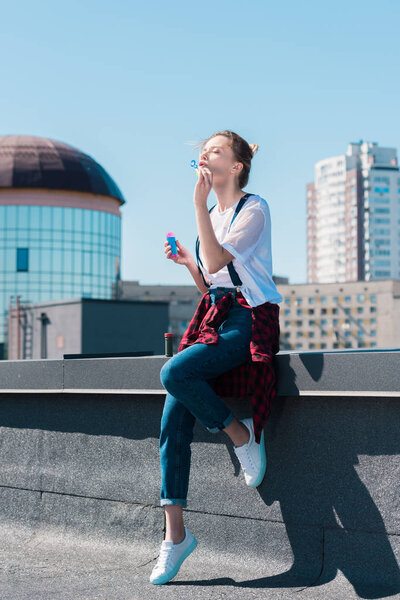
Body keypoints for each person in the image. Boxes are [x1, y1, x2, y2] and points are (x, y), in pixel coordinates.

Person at [150, 130, 283, 585]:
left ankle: (241, 435)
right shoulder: (211, 213)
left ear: (237, 166)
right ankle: (175, 536)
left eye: (216, 151)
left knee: (174, 372)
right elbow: (211, 282)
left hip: (251, 317)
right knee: (171, 418)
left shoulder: (254, 209)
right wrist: (190, 264)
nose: (206, 155)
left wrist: (196, 210)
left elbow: (224, 260)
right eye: (204, 151)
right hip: (217, 312)